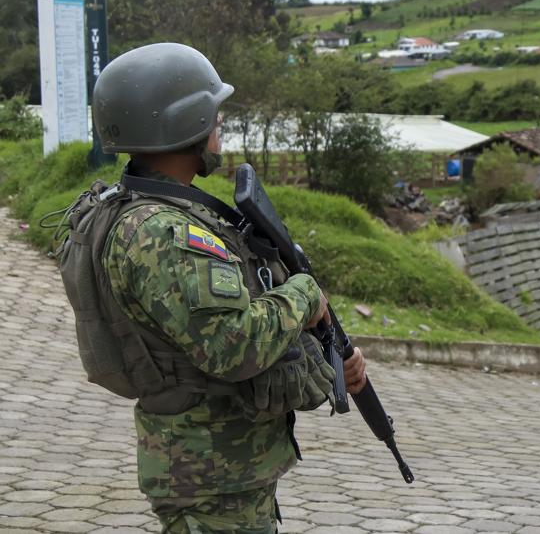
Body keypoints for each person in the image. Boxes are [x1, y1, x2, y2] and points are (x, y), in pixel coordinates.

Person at [81, 43, 369, 533]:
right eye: (213, 115)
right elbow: (233, 346)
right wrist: (304, 295)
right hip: (211, 478)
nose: (219, 127)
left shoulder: (153, 211)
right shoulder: (165, 234)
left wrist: (326, 360)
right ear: (183, 124)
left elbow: (218, 319)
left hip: (220, 470)